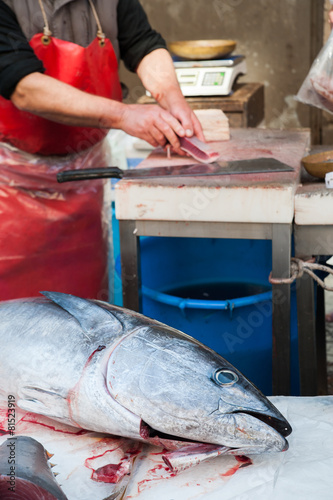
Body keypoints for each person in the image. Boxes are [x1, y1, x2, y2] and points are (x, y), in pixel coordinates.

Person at [0, 0, 204, 302]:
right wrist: (124, 115)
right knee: (17, 317)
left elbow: (143, 43)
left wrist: (172, 98)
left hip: (84, 185)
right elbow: (23, 85)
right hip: (11, 191)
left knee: (83, 311)